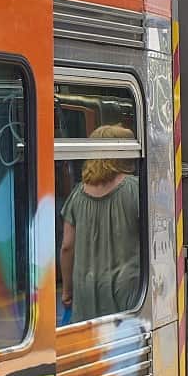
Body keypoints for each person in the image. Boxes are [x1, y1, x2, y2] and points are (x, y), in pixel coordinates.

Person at [59, 124, 142, 323]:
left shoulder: (77, 195)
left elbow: (67, 247)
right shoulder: (135, 190)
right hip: (126, 289)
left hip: (86, 289)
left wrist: (67, 290)